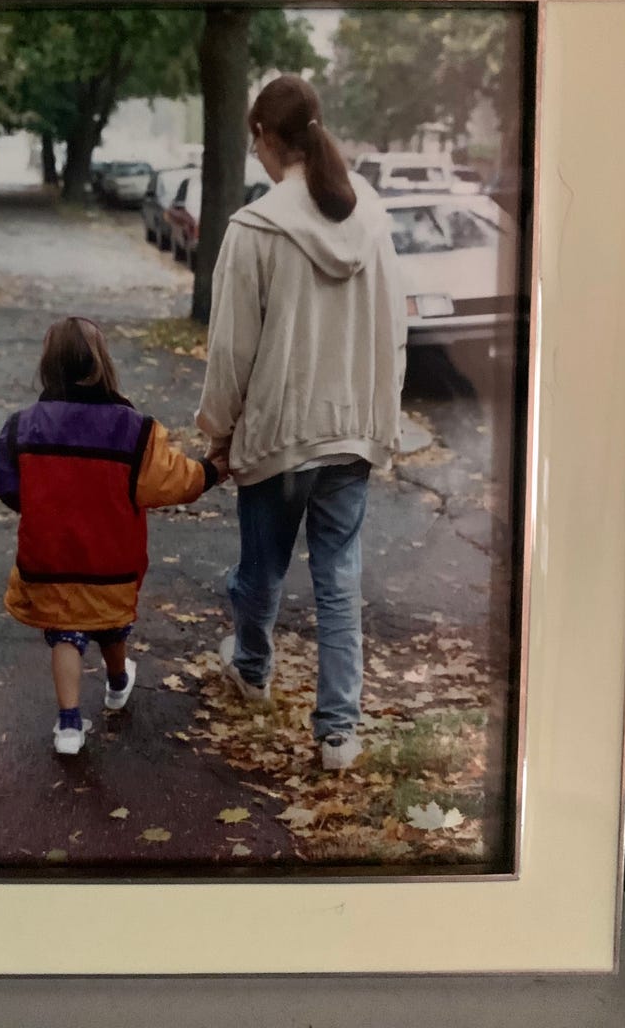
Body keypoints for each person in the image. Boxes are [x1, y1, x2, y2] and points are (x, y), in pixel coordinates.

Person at [196, 74, 407, 771]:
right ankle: (339, 731)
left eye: (255, 139)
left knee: (261, 568)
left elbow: (231, 350)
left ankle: (253, 668)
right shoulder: (371, 218)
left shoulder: (255, 229)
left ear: (265, 137)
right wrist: (383, 414)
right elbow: (395, 329)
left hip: (283, 434)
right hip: (350, 431)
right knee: (339, 579)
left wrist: (217, 432)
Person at [0, 316, 227, 755]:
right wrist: (211, 471)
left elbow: (8, 486)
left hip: (50, 562)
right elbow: (169, 481)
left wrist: (47, 506)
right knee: (111, 623)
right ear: (103, 364)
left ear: (48, 366)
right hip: (110, 564)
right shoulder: (133, 430)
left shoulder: (22, 427)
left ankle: (68, 725)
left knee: (65, 633)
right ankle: (118, 682)